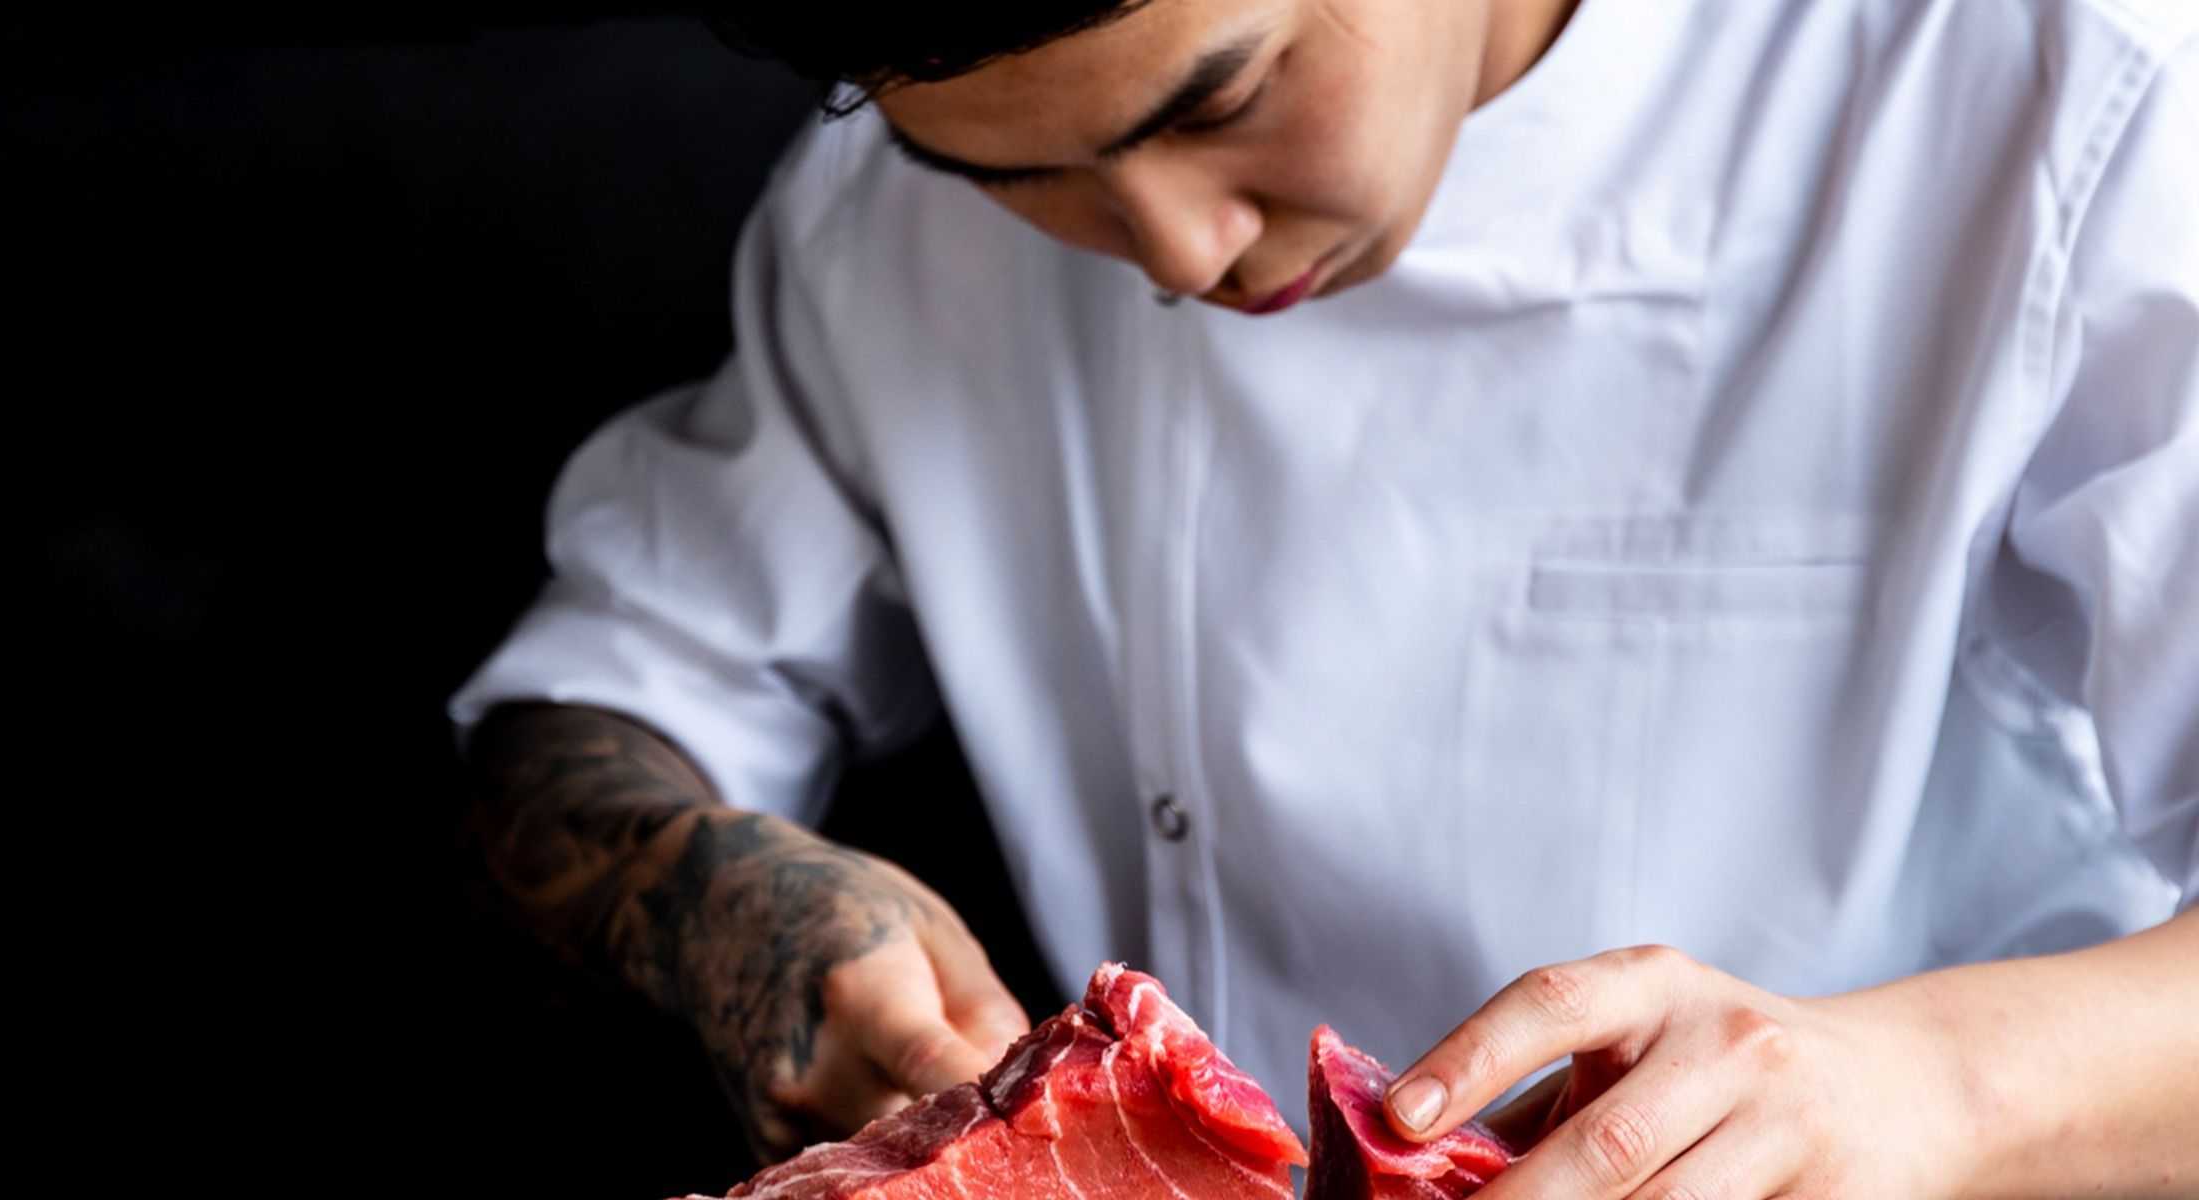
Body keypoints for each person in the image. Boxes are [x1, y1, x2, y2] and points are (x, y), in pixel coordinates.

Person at [453, 0, 2198, 1192]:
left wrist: (1932, 1095)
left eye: (1218, 98)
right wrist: (710, 893)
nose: (1176, 251)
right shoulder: (882, 215)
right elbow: (590, 713)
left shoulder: (2055, 99)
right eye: (1019, 178)